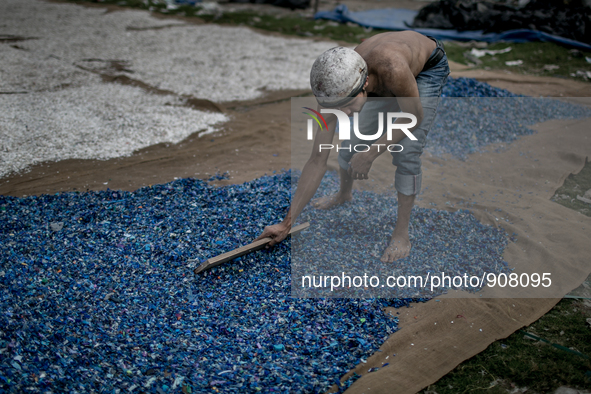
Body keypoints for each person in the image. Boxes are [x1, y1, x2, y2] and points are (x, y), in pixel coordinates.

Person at [256, 31, 450, 262]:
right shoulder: (332, 91)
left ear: (365, 84)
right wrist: (286, 223)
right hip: (381, 74)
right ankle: (344, 194)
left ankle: (401, 234)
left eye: (347, 105)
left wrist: (371, 153)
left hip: (425, 66)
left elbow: (413, 116)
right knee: (351, 146)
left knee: (407, 152)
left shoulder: (392, 69)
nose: (344, 113)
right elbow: (317, 158)